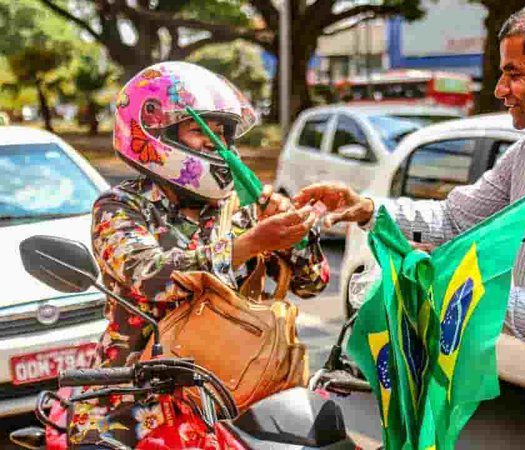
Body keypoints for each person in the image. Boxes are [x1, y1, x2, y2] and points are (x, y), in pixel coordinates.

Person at [295, 1, 525, 448]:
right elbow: (456, 218)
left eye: (515, 74)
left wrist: (455, 282)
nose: (499, 89)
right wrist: (367, 210)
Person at [66, 62, 329, 446]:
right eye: (200, 130)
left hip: (232, 394)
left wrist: (296, 235)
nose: (216, 143)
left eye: (223, 132)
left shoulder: (238, 209)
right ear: (157, 132)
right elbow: (151, 275)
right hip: (134, 398)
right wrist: (250, 244)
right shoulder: (120, 206)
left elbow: (312, 283)